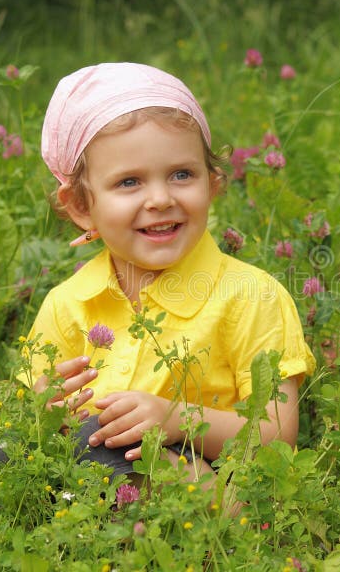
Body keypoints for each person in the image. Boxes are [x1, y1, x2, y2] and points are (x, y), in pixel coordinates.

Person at [23, 62, 315, 480]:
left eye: (182, 174)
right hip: (86, 464)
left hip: (192, 468)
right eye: (129, 182)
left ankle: (215, 511)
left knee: (112, 449)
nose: (160, 199)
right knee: (4, 453)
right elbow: (32, 411)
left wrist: (176, 419)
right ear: (82, 207)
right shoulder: (67, 304)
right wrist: (44, 407)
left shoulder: (252, 295)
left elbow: (277, 433)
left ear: (212, 185)